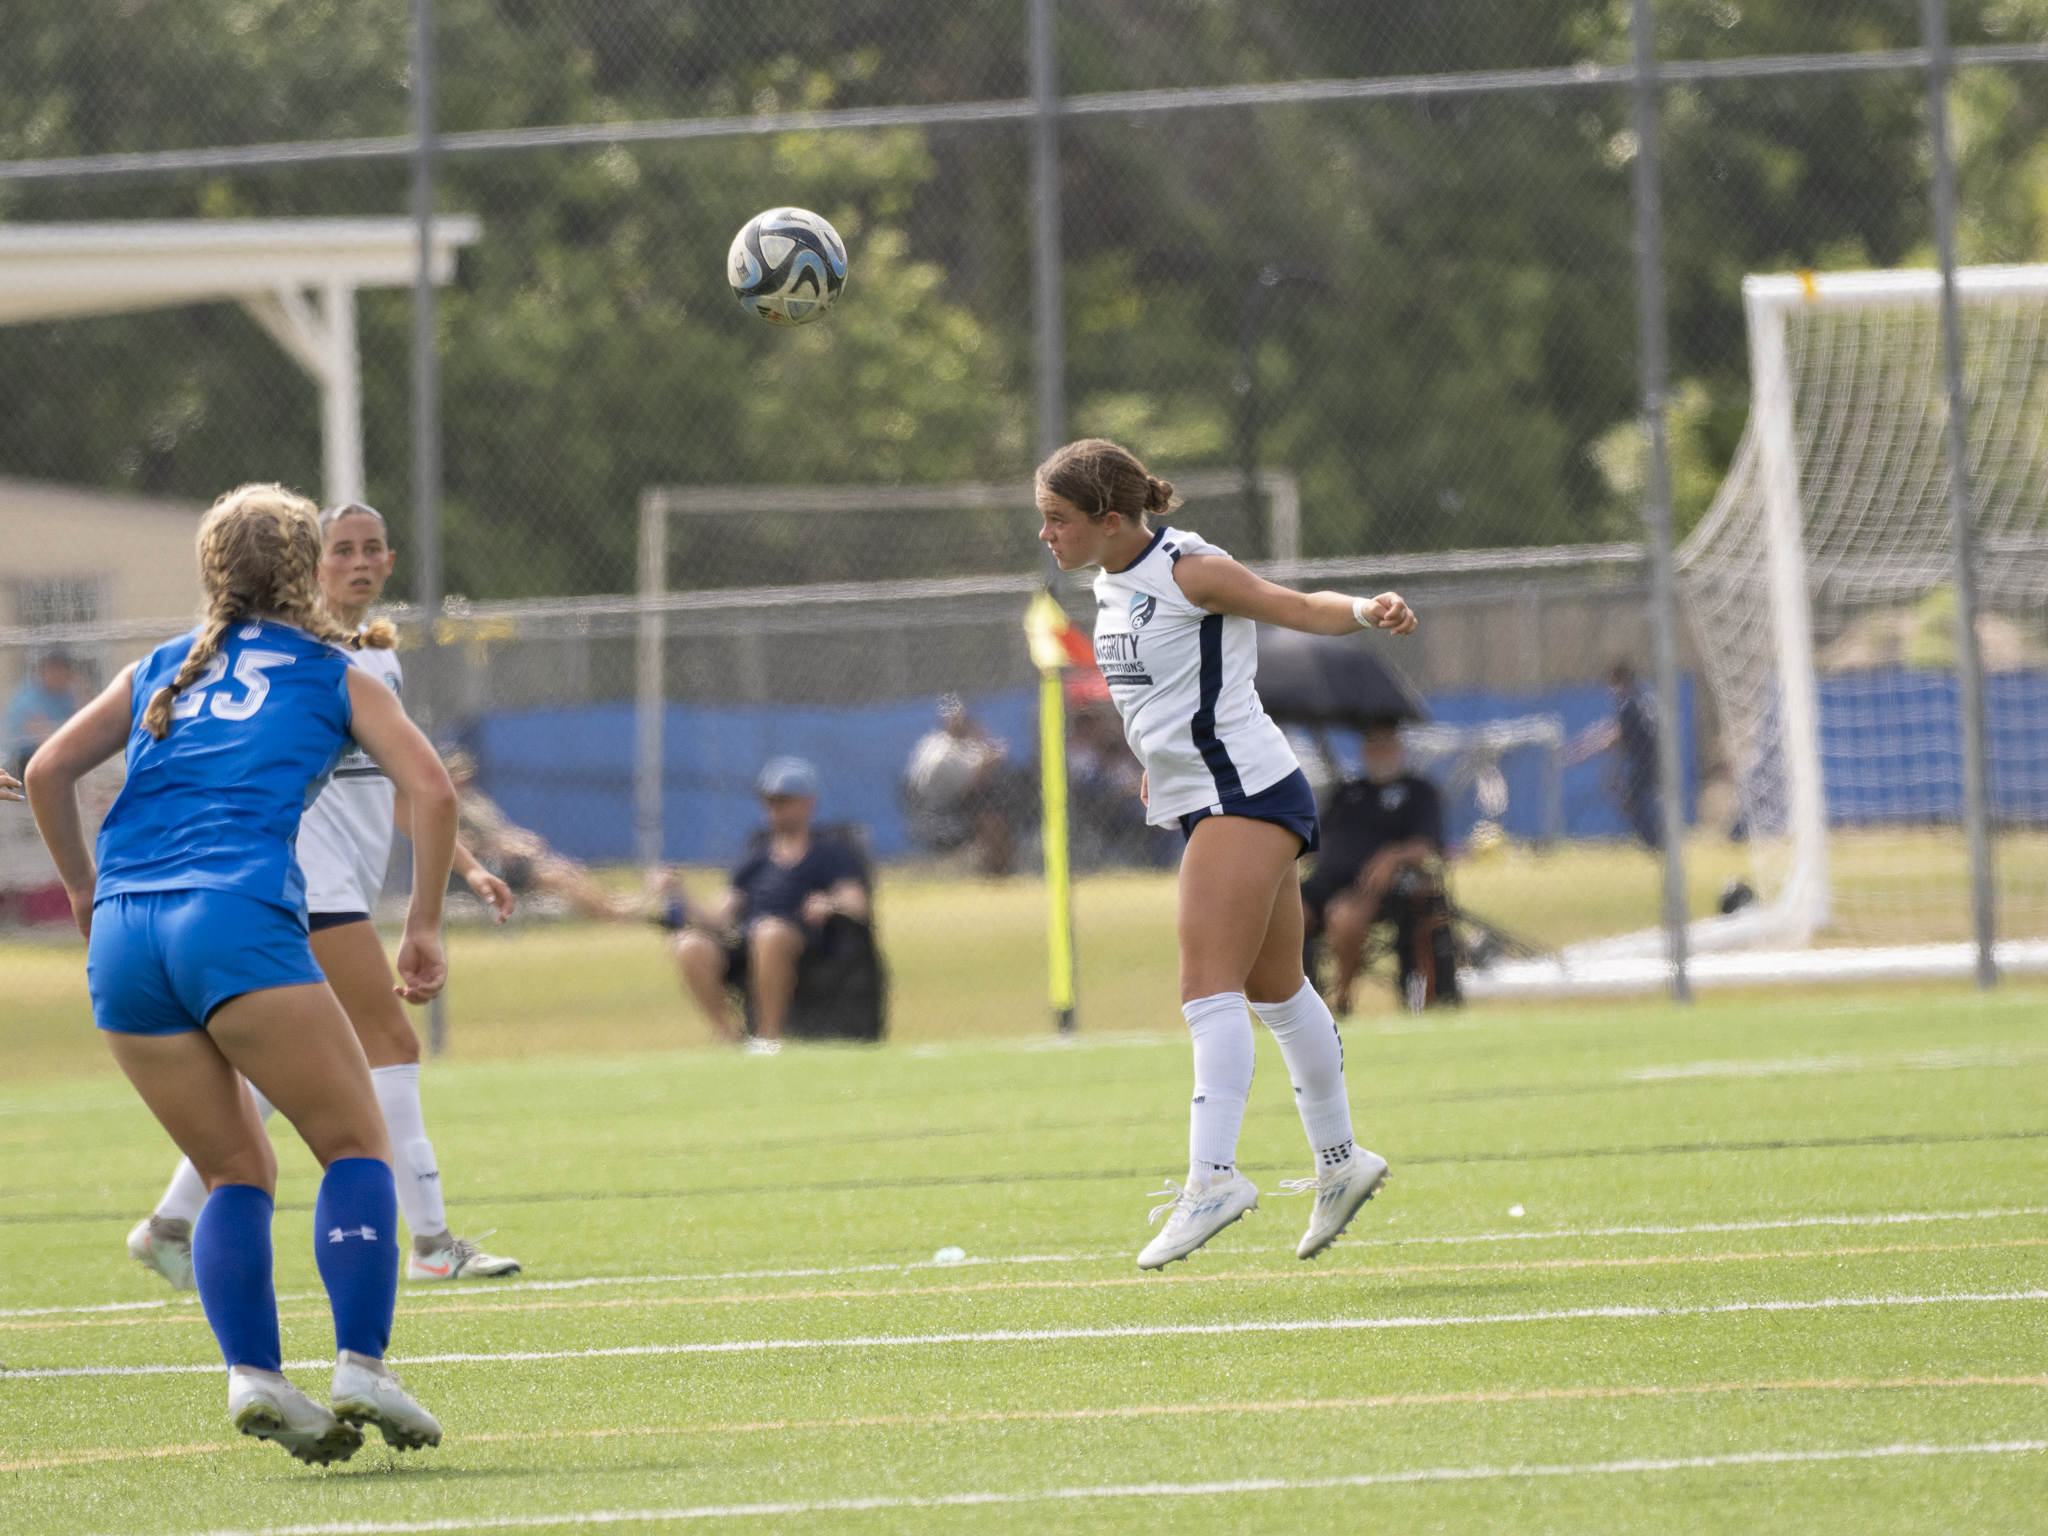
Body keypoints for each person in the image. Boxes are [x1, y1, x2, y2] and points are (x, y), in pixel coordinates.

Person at [23, 484, 454, 1465]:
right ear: (305, 572)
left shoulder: (160, 668)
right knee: (352, 1147)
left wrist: (87, 896)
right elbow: (428, 788)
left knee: (232, 1172)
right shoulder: (336, 672)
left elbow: (47, 771)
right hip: (233, 919)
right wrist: (423, 924)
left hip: (128, 935)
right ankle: (360, 1364)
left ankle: (256, 1378)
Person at [1035, 438, 1417, 1270]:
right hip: (1215, 793)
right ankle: (1342, 1163)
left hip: (1244, 793)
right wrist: (1158, 770)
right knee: (1274, 988)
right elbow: (1164, 698)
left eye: (1058, 520)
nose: (1046, 536)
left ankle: (1212, 1180)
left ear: (1108, 520)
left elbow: (1296, 607)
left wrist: (1364, 609)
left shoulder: (1189, 568)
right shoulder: (1109, 580)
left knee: (1205, 989)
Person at [126, 502, 522, 1293]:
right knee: (392, 1048)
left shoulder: (375, 660)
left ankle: (170, 1220)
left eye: (374, 547)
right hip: (306, 887)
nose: (361, 562)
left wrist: (465, 868)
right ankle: (434, 1242)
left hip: (316, 889)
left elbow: (406, 789)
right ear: (310, 566)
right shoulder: (306, 660)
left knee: (298, 1069)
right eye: (342, 549)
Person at [664, 757, 870, 1054]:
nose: (773, 810)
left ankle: (768, 1040)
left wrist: (830, 902)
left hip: (805, 943)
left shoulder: (830, 852)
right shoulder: (756, 855)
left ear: (807, 804)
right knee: (688, 944)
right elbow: (719, 919)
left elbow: (857, 903)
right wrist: (679, 895)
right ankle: (728, 1038)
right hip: (748, 942)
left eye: (783, 802)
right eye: (769, 802)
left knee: (769, 932)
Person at [1299, 719, 1450, 1016]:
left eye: (1386, 741)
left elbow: (1425, 846)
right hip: (1324, 881)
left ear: (1399, 746)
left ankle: (1341, 1000)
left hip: (1375, 888)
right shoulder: (1347, 792)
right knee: (1284, 914)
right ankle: (1295, 1003)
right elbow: (1314, 840)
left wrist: (1392, 856)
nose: (1379, 750)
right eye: (1372, 743)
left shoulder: (1419, 791)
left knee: (1343, 916)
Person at [445, 749, 636, 920]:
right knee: (560, 877)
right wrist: (500, 847)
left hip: (514, 858)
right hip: (494, 866)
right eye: (456, 773)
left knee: (570, 869)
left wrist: (520, 840)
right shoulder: (449, 808)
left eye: (464, 771)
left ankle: (610, 907)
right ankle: (611, 913)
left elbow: (502, 830)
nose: (463, 777)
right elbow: (462, 845)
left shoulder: (475, 801)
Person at [901, 695, 1019, 874]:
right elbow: (973, 787)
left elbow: (991, 758)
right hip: (939, 815)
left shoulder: (960, 744)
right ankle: (1000, 870)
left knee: (993, 806)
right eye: (958, 719)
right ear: (947, 721)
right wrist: (988, 761)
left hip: (956, 806)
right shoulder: (940, 753)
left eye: (965, 718)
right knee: (988, 817)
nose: (964, 723)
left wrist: (980, 736)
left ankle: (1001, 866)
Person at [1565, 662, 1661, 848]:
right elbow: (1611, 730)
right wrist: (1579, 748)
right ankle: (1658, 844)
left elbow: (1615, 738)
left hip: (1645, 766)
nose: (1610, 690)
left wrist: (1608, 769)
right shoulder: (1645, 699)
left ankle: (1657, 844)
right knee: (1635, 804)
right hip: (1655, 764)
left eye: (1612, 684)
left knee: (1634, 805)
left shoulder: (1631, 706)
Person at [4, 648, 83, 779]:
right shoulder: (29, 696)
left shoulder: (69, 694)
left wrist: (82, 687)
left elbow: (90, 721)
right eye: (54, 671)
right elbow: (42, 738)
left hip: (56, 755)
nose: (59, 676)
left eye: (64, 672)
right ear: (43, 672)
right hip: (25, 760)